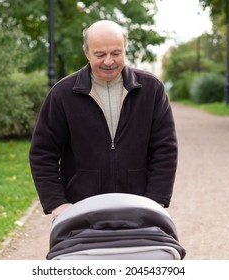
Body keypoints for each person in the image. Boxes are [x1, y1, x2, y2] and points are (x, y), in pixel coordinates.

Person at [29, 20, 178, 219]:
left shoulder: (152, 89)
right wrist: (58, 204)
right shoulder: (62, 94)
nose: (109, 61)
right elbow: (42, 153)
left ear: (125, 49)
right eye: (100, 54)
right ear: (86, 52)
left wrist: (155, 201)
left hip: (139, 207)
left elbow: (165, 149)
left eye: (116, 53)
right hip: (80, 210)